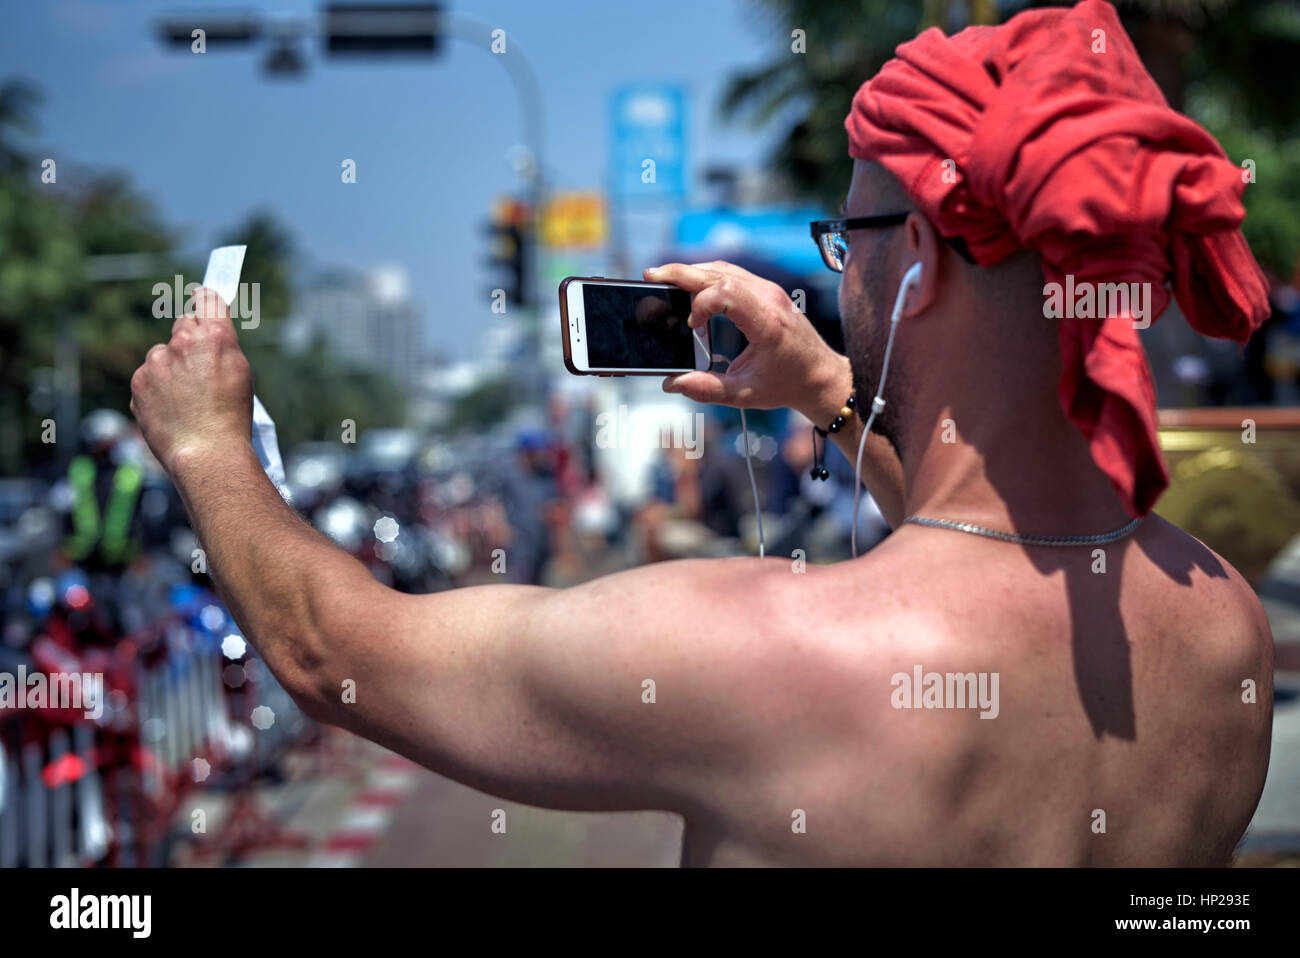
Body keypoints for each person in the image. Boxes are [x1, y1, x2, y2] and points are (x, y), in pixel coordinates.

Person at [130, 0, 1273, 865]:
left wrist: (208, 448)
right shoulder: (1218, 620)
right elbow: (994, 536)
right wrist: (827, 386)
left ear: (918, 263)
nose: (847, 268)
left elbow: (339, 653)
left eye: (855, 234)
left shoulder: (765, 651)